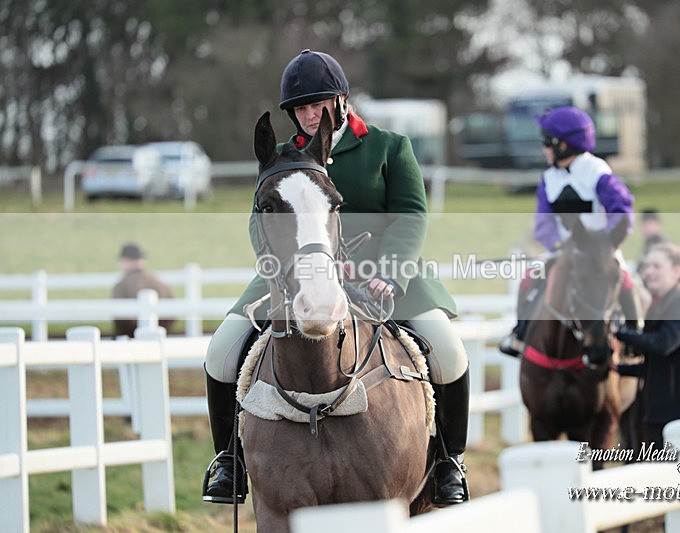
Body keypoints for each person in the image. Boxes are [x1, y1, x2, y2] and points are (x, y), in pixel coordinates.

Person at [201, 49, 470, 506]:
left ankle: (448, 461)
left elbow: (410, 216)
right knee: (222, 352)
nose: (308, 115)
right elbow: (259, 221)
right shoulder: (282, 160)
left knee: (448, 352)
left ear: (341, 101)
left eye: (317, 105)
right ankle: (229, 461)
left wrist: (388, 270)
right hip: (295, 277)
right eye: (300, 109)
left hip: (385, 275)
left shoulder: (388, 146)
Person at [499, 105, 639, 356]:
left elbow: (622, 208)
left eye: (546, 143)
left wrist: (608, 244)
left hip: (601, 247)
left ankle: (635, 333)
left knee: (625, 279)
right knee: (530, 276)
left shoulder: (597, 171)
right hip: (565, 248)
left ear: (563, 145)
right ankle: (520, 332)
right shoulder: (547, 179)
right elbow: (543, 221)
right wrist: (556, 245)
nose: (543, 150)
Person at [613, 243, 680, 449]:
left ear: (677, 271)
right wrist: (615, 368)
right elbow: (655, 367)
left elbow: (662, 345)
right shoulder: (658, 309)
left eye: (657, 266)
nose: (648, 272)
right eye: (647, 266)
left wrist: (619, 332)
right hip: (660, 416)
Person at [112, 243, 174, 337]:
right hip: (161, 335)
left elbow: (120, 321)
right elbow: (171, 314)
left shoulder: (121, 286)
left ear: (127, 260)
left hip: (130, 339)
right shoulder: (160, 283)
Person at [637, 208, 668, 278]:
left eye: (647, 224)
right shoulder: (648, 243)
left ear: (658, 224)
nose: (644, 228)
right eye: (642, 225)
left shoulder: (661, 244)